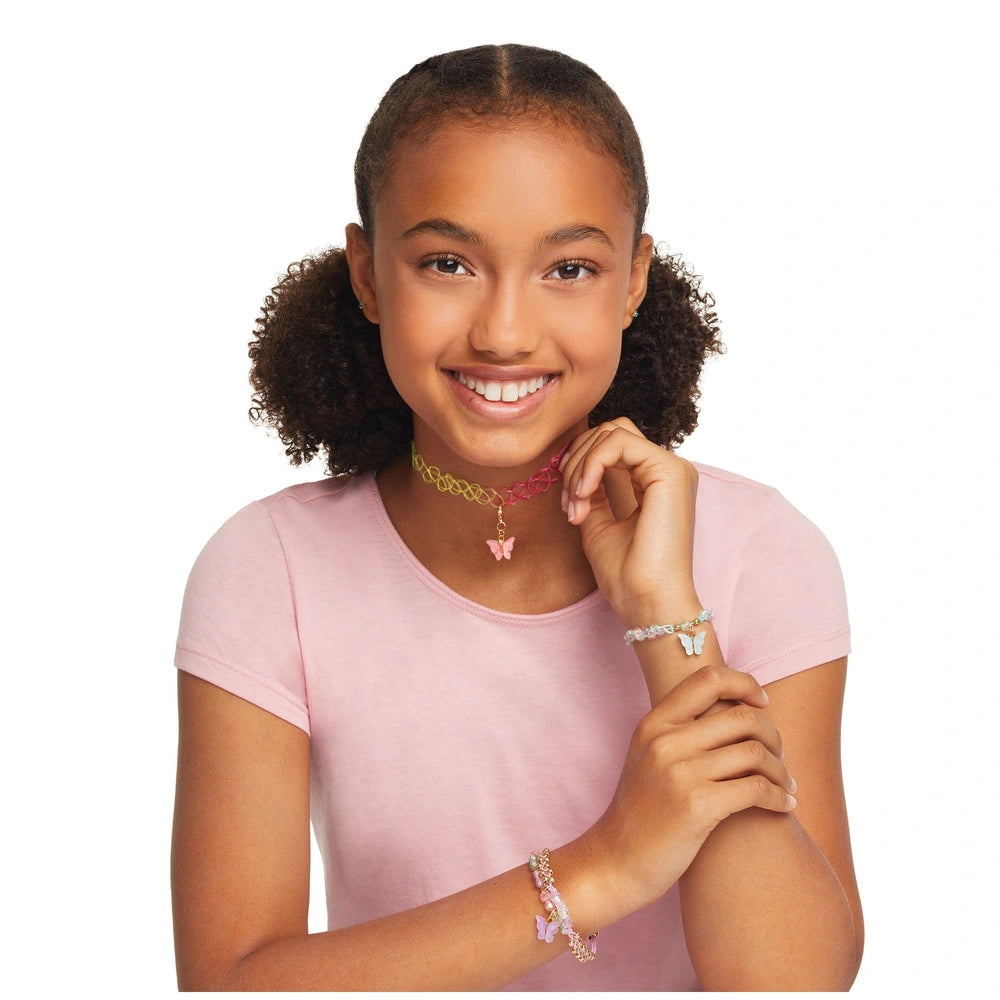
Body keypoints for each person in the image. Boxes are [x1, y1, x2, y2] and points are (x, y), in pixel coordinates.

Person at [171, 44, 863, 991]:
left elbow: (791, 981)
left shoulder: (762, 551)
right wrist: (607, 865)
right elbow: (232, 982)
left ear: (634, 280)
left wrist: (664, 612)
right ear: (367, 274)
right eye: (447, 263)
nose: (503, 332)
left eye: (568, 268)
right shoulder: (271, 567)